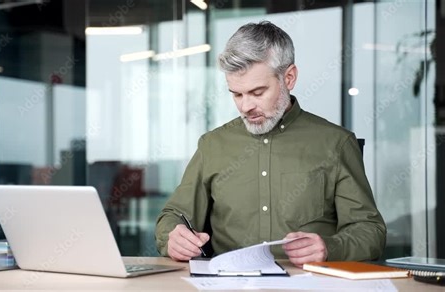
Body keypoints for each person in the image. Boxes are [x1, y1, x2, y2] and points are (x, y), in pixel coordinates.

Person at [154, 21, 386, 267]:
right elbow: (173, 216)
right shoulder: (212, 145)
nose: (245, 107)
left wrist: (330, 247)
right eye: (237, 94)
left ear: (289, 77)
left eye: (257, 92)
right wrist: (173, 237)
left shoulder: (336, 144)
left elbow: (371, 231)